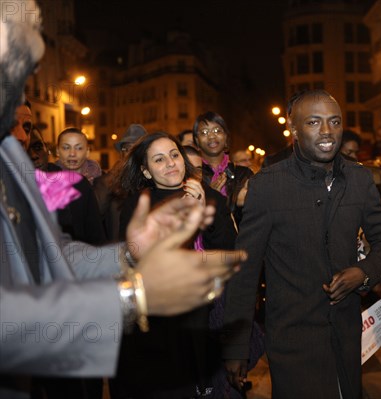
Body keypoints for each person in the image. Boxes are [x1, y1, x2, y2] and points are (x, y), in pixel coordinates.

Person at [0, 2, 245, 397]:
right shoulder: (90, 188)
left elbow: (47, 256)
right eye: (14, 38)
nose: (34, 59)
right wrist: (132, 297)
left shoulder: (9, 158)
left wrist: (128, 253)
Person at [222, 89, 381, 398]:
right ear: (293, 128)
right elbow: (245, 271)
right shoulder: (266, 186)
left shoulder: (359, 180)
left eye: (334, 121)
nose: (327, 132)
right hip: (292, 340)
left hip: (345, 335)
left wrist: (363, 273)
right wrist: (236, 346)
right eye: (314, 122)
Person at [110, 131, 237, 397]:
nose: (170, 163)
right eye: (159, 160)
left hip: (198, 323)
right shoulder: (138, 204)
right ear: (146, 172)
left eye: (174, 155)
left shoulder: (212, 199)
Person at [192, 111, 253, 224]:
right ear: (197, 140)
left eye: (217, 130)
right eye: (204, 132)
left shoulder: (244, 175)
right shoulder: (192, 175)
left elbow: (255, 218)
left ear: (225, 136)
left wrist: (238, 205)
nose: (211, 136)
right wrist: (209, 195)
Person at [94, 123, 147, 241]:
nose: (131, 154)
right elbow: (93, 218)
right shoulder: (108, 182)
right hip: (118, 253)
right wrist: (114, 177)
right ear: (121, 154)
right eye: (127, 149)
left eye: (137, 149)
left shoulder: (155, 180)